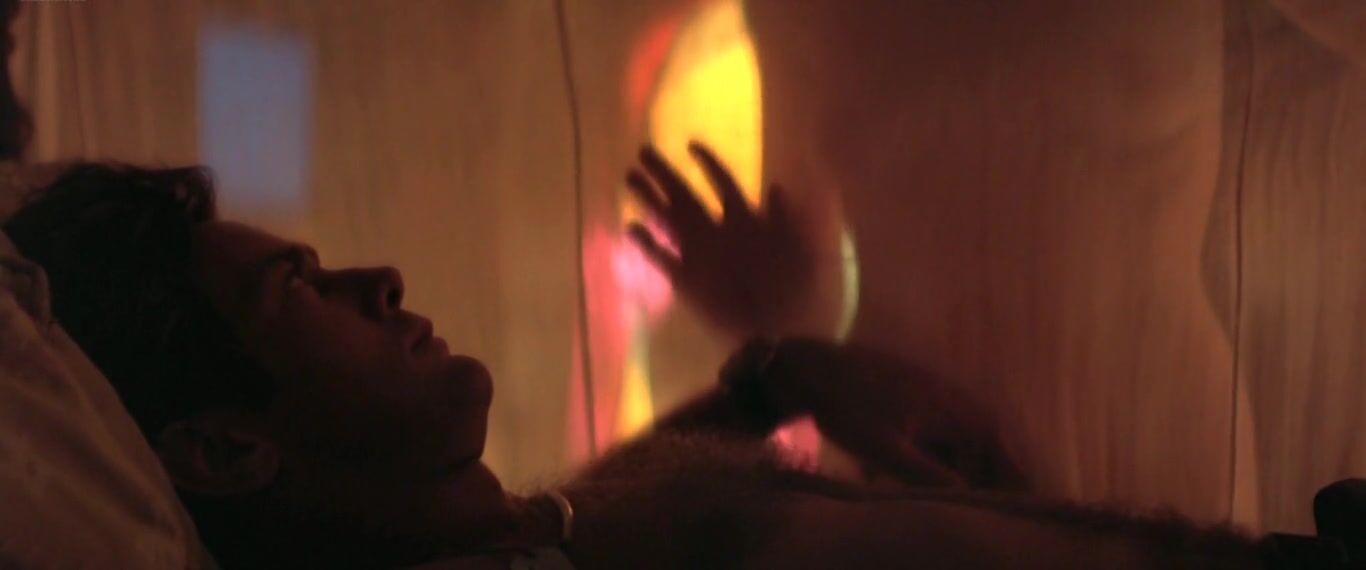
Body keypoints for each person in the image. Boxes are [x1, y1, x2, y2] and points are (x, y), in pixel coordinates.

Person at [3, 145, 1265, 569]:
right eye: (296, 289)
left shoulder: (514, 534)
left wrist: (771, 376)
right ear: (227, 447)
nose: (375, 279)